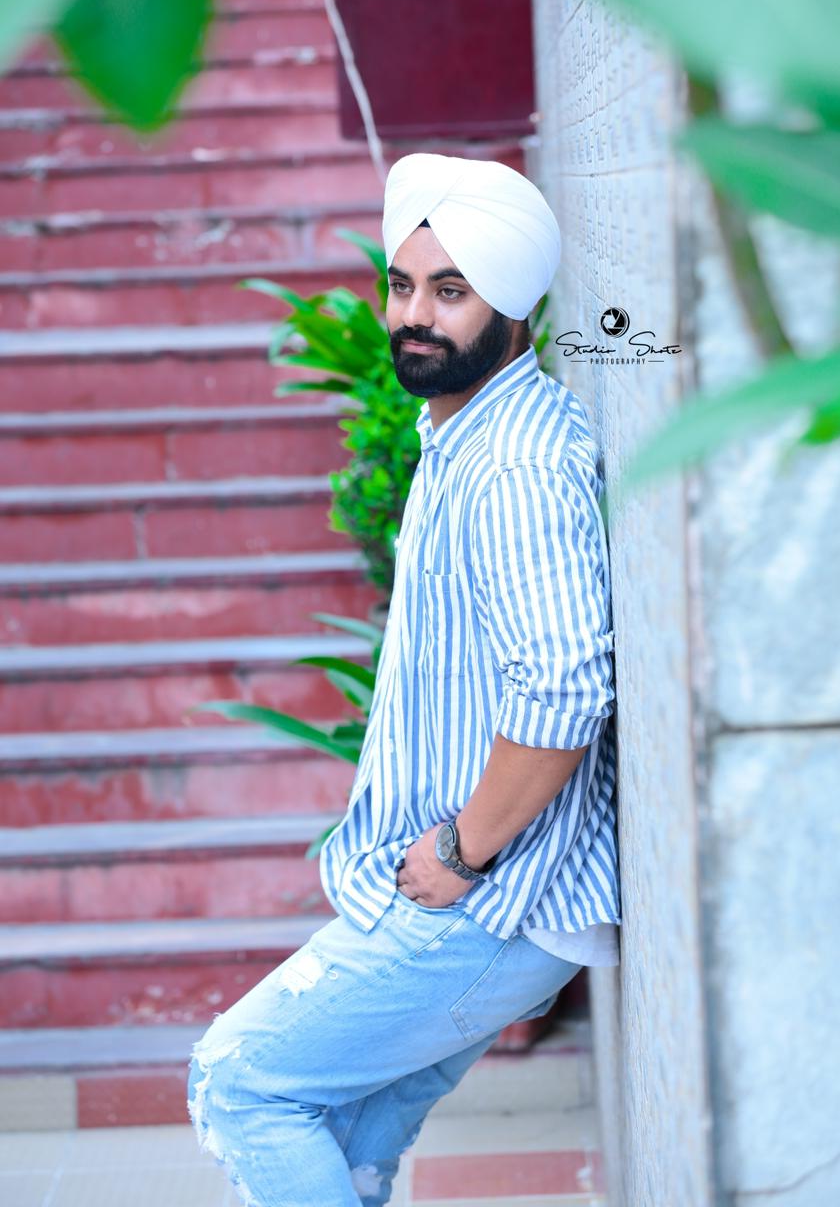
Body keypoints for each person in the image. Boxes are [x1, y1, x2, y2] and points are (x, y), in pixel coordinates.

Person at [187, 152, 621, 1207]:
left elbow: (565, 687)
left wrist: (463, 849)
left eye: (450, 290)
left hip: (491, 900)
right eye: (402, 284)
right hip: (482, 895)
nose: (414, 315)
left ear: (512, 305)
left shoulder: (512, 466)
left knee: (239, 1082)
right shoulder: (467, 431)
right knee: (347, 1142)